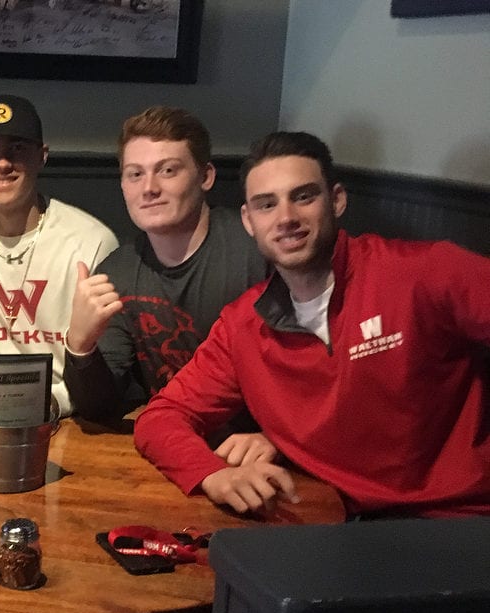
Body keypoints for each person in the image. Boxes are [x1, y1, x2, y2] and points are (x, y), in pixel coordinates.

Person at [135, 131, 490, 519]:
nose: (286, 218)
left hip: (462, 521)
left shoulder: (425, 273)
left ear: (336, 200)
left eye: (303, 196)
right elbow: (161, 419)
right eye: (266, 205)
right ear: (249, 221)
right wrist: (212, 475)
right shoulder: (242, 326)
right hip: (339, 525)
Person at [62, 106, 271, 454]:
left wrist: (276, 438)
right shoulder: (118, 272)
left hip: (262, 451)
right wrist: (80, 346)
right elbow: (98, 408)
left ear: (205, 176)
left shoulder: (255, 250)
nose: (149, 188)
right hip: (175, 444)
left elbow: (312, 369)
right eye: (134, 174)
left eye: (168, 170)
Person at [0, 94, 118, 416]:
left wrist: (46, 404)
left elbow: (110, 364)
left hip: (73, 416)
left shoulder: (91, 241)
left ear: (41, 156)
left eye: (17, 149)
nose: (2, 163)